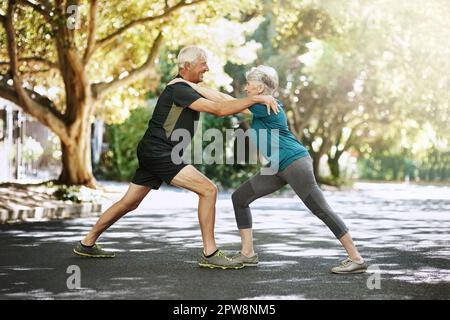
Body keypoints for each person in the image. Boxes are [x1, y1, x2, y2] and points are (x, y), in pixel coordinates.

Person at [73, 47, 279, 270]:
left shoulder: (187, 87)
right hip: (160, 151)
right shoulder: (180, 90)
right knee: (209, 190)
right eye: (203, 64)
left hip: (154, 150)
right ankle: (210, 253)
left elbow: (223, 98)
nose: (207, 68)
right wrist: (257, 98)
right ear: (187, 66)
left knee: (129, 202)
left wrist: (258, 104)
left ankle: (87, 243)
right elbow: (219, 110)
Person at [170, 65, 367, 274]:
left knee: (320, 209)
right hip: (276, 166)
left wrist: (187, 84)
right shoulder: (260, 104)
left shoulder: (267, 106)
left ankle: (356, 258)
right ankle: (248, 253)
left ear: (261, 88)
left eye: (249, 84)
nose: (246, 88)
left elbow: (223, 101)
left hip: (294, 162)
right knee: (240, 198)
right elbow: (225, 99)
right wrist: (191, 85)